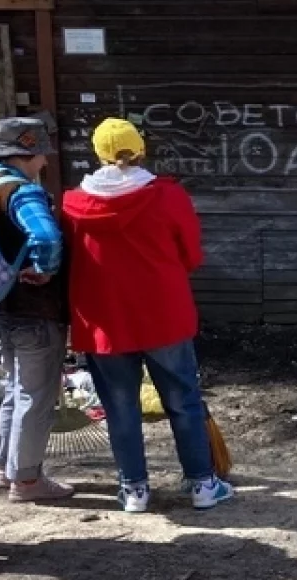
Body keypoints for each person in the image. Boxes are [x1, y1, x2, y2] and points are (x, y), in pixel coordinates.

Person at [62, 117, 232, 513]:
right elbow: (191, 254)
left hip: (105, 321)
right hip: (163, 315)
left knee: (120, 407)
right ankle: (203, 484)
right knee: (183, 400)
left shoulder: (72, 205)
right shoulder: (167, 196)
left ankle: (134, 490)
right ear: (141, 150)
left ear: (98, 154)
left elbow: (68, 261)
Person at [0, 118, 74, 502]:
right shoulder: (23, 192)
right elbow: (46, 237)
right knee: (36, 395)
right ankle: (28, 480)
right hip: (35, 309)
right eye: (41, 153)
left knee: (17, 388)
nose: (45, 160)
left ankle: (7, 467)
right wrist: (45, 269)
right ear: (27, 154)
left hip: (0, 304)